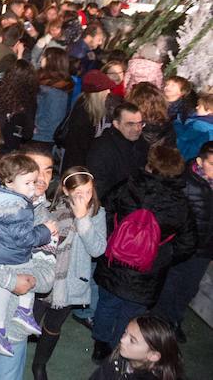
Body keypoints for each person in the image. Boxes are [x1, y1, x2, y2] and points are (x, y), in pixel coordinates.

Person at [91, 144, 197, 363]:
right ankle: (117, 349)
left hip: (114, 261)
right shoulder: (180, 204)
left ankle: (100, 345)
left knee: (107, 304)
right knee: (130, 313)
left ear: (150, 165)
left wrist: (113, 237)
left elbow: (105, 210)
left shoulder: (129, 185)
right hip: (148, 273)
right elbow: (188, 244)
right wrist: (163, 256)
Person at [0, 154, 56, 356]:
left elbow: (46, 278)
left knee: (14, 277)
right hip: (3, 257)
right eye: (29, 182)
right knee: (20, 269)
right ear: (9, 181)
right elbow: (25, 238)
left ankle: (8, 323)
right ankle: (21, 313)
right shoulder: (21, 208)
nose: (34, 186)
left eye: (46, 172)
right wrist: (45, 231)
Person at [31, 167, 108, 380]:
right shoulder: (50, 207)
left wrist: (83, 219)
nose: (84, 197)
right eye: (78, 193)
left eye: (89, 191)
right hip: (45, 276)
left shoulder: (97, 214)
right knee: (30, 320)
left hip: (70, 283)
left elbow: (98, 249)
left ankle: (39, 365)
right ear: (65, 190)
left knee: (53, 325)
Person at [154, 140, 213, 341]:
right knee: (171, 284)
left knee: (189, 288)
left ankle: (174, 320)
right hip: (182, 247)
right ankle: (162, 323)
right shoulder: (185, 182)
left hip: (205, 250)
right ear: (200, 161)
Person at [87, 102, 150, 203]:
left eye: (140, 123)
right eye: (130, 124)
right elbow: (98, 187)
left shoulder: (141, 143)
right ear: (116, 124)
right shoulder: (101, 148)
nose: (137, 129)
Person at [89, 314, 183, 380]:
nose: (122, 340)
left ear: (153, 355)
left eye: (132, 340)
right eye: (126, 332)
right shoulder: (117, 357)